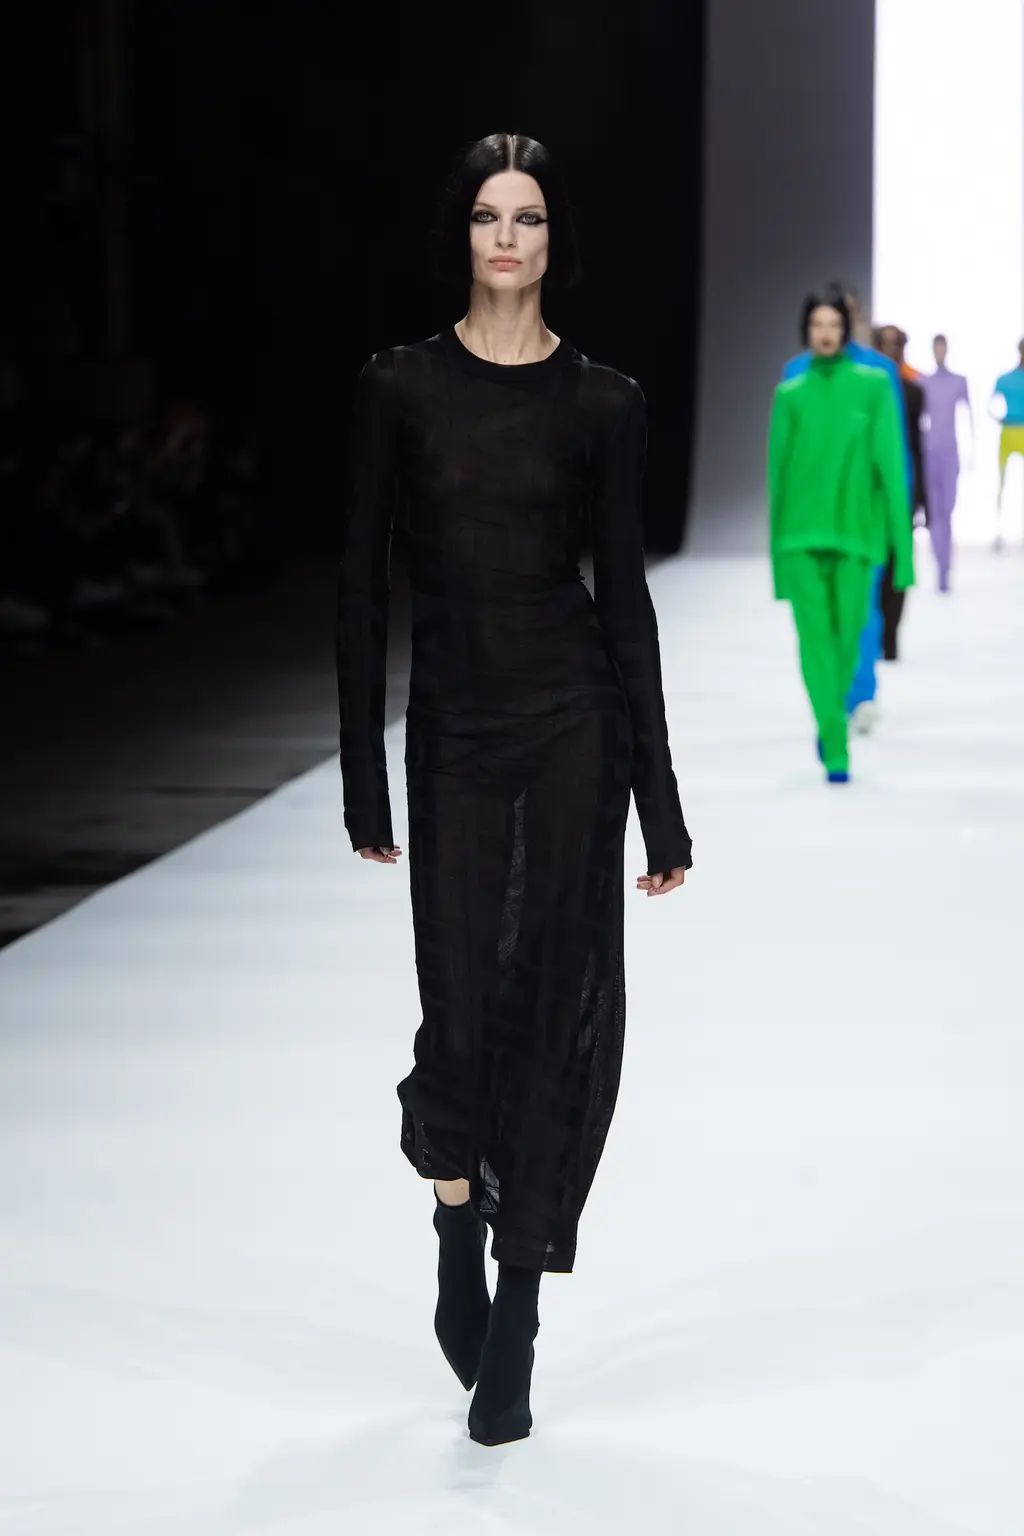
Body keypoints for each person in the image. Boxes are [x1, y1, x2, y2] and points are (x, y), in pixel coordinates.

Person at [335, 132, 691, 1447]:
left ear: (554, 240)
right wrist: (362, 777)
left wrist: (660, 798)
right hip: (453, 732)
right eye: (488, 215)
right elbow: (361, 588)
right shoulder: (400, 387)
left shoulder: (603, 402)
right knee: (460, 1012)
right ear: (462, 234)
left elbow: (625, 602)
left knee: (556, 1010)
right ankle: (454, 1220)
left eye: (528, 217)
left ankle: (521, 1308)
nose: (506, 237)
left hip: (573, 727)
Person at [769, 287, 914, 782]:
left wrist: (903, 552)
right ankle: (835, 741)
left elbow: (892, 466)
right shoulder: (790, 391)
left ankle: (833, 714)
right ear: (806, 330)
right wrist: (776, 560)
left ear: (847, 329)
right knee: (815, 645)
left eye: (834, 324)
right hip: (800, 538)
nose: (826, 333)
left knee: (850, 639)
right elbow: (776, 477)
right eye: (817, 325)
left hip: (857, 536)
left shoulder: (874, 385)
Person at [875, 325, 927, 657]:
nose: (892, 350)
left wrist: (922, 496)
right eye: (886, 344)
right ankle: (875, 632)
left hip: (903, 484)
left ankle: (891, 635)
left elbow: (917, 445)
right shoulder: (867, 388)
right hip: (869, 486)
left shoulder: (913, 391)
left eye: (896, 344)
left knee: (899, 559)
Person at [922, 334, 971, 591]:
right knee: (934, 513)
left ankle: (945, 566)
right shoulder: (924, 382)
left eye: (943, 348)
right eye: (936, 348)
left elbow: (969, 418)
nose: (939, 352)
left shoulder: (958, 382)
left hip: (950, 452)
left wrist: (972, 452)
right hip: (929, 452)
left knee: (947, 511)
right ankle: (940, 566)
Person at [991, 339, 1024, 551]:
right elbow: (991, 404)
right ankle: (999, 532)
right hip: (1009, 430)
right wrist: (999, 418)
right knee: (1002, 483)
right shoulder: (1005, 378)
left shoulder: (1006, 379)